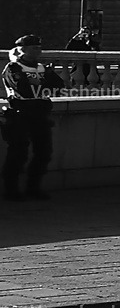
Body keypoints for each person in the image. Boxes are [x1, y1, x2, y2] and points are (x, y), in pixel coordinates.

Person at [1, 35, 65, 200]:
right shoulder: (13, 68)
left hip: (40, 114)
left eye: (39, 47)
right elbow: (23, 90)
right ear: (22, 49)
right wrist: (45, 86)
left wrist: (41, 86)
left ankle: (33, 188)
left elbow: (60, 87)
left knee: (44, 152)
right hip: (20, 113)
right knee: (18, 152)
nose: (38, 51)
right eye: (33, 48)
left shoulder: (43, 68)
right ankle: (11, 191)